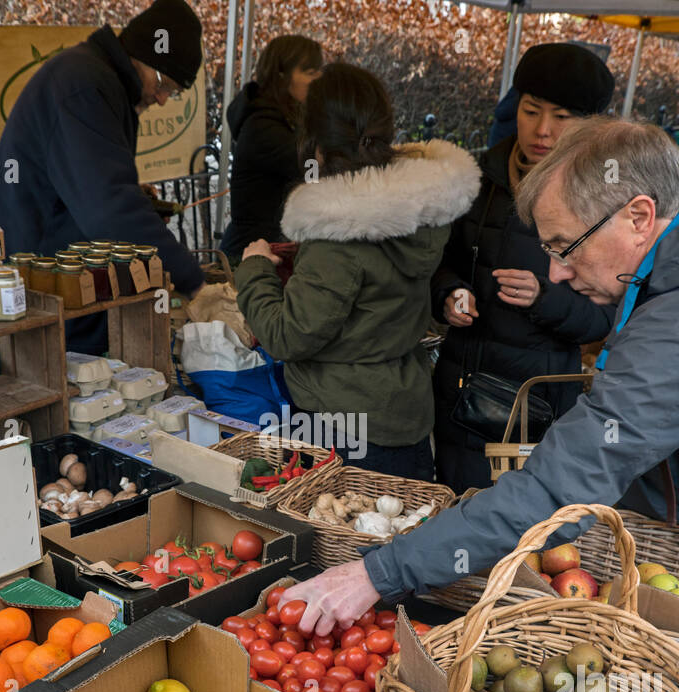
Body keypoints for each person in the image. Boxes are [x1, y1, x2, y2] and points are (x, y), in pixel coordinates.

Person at [275, 117, 679, 637]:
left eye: (562, 246)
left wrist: (375, 574)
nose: (555, 272)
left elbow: (563, 488)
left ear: (640, 216)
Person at [233, 64, 481, 481]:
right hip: (405, 416)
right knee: (405, 531)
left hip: (345, 427)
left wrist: (255, 268)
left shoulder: (337, 233)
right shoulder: (420, 211)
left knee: (346, 543)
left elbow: (288, 335)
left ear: (313, 140)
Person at [431, 43, 617, 494]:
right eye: (531, 111)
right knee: (450, 517)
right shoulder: (480, 181)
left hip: (534, 411)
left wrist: (544, 298)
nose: (543, 130)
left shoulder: (601, 199)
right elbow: (441, 264)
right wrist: (449, 294)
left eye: (562, 118)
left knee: (523, 539)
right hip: (459, 395)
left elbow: (604, 318)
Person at [0, 0, 205, 299]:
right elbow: (110, 208)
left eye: (173, 94)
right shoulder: (84, 86)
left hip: (53, 268)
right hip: (36, 279)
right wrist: (194, 283)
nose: (163, 99)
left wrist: (132, 195)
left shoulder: (100, 80)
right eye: (164, 84)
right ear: (142, 53)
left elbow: (88, 184)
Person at [219, 36, 324, 260]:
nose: (318, 79)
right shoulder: (263, 126)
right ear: (281, 75)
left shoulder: (285, 118)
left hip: (267, 248)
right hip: (252, 254)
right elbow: (314, 168)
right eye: (309, 71)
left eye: (318, 71)